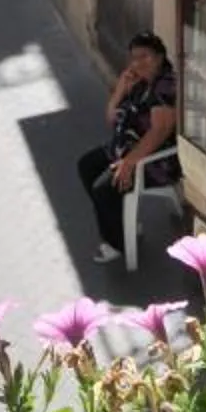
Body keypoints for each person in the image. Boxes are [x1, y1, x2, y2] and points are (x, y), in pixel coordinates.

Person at [77, 31, 178, 263]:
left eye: (146, 56)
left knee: (103, 189)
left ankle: (118, 243)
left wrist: (129, 162)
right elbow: (112, 117)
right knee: (86, 165)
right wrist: (121, 88)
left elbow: (159, 131)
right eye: (134, 58)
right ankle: (121, 225)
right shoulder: (140, 83)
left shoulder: (165, 87)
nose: (139, 62)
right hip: (125, 150)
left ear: (160, 57)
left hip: (154, 162)